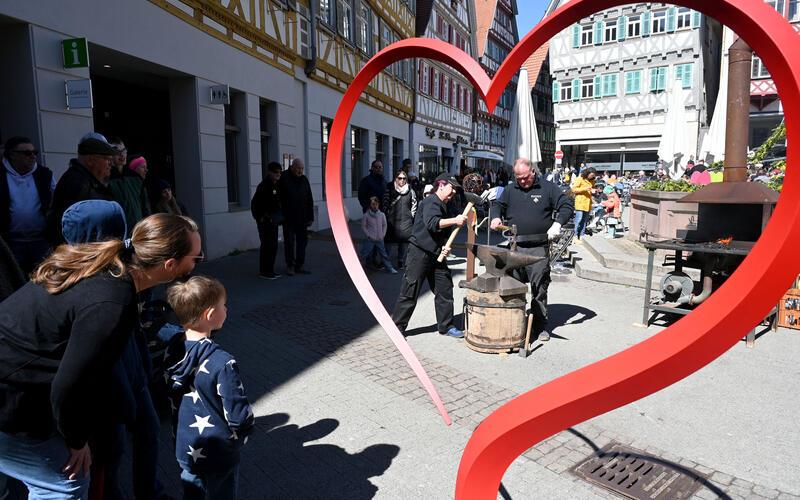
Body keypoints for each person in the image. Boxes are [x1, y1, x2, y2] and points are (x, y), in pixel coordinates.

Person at [0, 214, 202, 499]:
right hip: (9, 399)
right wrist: (76, 441)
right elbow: (69, 386)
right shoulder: (111, 301)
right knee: (66, 485)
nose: (198, 263)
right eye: (196, 258)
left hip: (16, 388)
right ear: (170, 265)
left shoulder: (111, 269)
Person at [60, 200, 165, 500]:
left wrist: (144, 366)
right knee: (111, 451)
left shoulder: (121, 270)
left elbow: (135, 326)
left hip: (134, 372)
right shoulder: (86, 285)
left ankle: (150, 492)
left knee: (149, 433)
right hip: (106, 388)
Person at [164, 275, 254, 499]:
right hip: (218, 453)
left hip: (186, 446)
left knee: (192, 492)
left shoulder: (173, 349)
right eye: (224, 305)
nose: (227, 309)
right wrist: (243, 435)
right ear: (211, 314)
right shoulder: (222, 362)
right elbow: (238, 415)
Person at [490, 158, 573, 342]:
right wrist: (495, 217)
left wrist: (558, 223)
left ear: (533, 172)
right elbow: (498, 205)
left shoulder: (548, 188)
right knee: (512, 286)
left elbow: (567, 205)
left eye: (525, 177)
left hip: (538, 247)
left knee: (539, 287)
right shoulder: (510, 189)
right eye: (518, 178)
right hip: (515, 246)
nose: (522, 181)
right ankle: (515, 322)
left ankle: (540, 325)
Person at [391, 173, 467, 338]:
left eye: (455, 189)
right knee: (410, 291)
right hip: (419, 253)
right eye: (452, 188)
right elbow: (433, 223)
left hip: (436, 255)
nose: (454, 192)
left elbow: (444, 232)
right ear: (441, 185)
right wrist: (455, 220)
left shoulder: (447, 205)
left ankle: (446, 326)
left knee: (444, 289)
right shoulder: (431, 201)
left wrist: (445, 247)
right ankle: (397, 327)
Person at [47, 134, 117, 245]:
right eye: (107, 159)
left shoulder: (88, 180)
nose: (111, 164)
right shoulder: (76, 183)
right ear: (90, 160)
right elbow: (71, 228)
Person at [1, 136, 55, 274]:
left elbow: (56, 201)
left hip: (41, 239)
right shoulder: (1, 175)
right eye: (27, 153)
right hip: (11, 242)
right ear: (12, 155)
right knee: (16, 278)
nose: (32, 156)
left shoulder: (44, 175)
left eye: (34, 152)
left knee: (45, 277)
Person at [279, 158, 314, 275]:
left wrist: (310, 217)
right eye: (299, 168)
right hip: (288, 218)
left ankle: (300, 265)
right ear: (292, 167)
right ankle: (290, 265)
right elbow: (278, 197)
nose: (301, 171)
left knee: (302, 242)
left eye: (302, 168)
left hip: (302, 217)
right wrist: (281, 214)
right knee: (289, 243)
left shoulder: (304, 180)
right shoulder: (284, 178)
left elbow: (309, 199)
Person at [251, 161, 283, 280]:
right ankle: (265, 271)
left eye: (280, 172)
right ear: (270, 172)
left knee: (273, 245)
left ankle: (270, 270)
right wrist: (261, 218)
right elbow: (256, 204)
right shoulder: (264, 186)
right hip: (265, 222)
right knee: (267, 245)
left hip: (273, 221)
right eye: (276, 172)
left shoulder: (276, 185)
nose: (278, 174)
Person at [382, 170, 417, 269]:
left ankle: (400, 261)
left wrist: (411, 215)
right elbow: (385, 202)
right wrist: (386, 214)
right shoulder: (389, 188)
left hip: (406, 220)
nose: (402, 180)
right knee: (388, 241)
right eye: (400, 178)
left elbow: (414, 203)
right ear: (396, 178)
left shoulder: (410, 189)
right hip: (391, 220)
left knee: (403, 241)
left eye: (404, 178)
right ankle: (386, 262)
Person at [108, 153, 151, 232]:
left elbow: (145, 208)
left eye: (124, 151)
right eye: (142, 167)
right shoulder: (110, 181)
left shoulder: (139, 183)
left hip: (139, 229)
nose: (146, 170)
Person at [361, 196, 398, 274]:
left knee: (384, 254)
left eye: (376, 204)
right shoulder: (366, 215)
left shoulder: (382, 215)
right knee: (365, 253)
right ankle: (357, 266)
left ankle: (390, 268)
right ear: (370, 205)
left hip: (380, 239)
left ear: (378, 204)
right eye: (373, 204)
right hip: (370, 239)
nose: (375, 206)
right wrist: (368, 235)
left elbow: (384, 225)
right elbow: (363, 226)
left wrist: (383, 234)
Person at [570, 166, 597, 241]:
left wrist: (594, 190)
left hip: (588, 203)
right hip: (580, 202)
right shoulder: (580, 179)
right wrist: (584, 189)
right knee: (578, 219)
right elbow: (574, 189)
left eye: (593, 175)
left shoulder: (592, 181)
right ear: (587, 173)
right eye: (591, 175)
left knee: (584, 220)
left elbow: (591, 189)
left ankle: (581, 235)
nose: (592, 177)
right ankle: (575, 236)